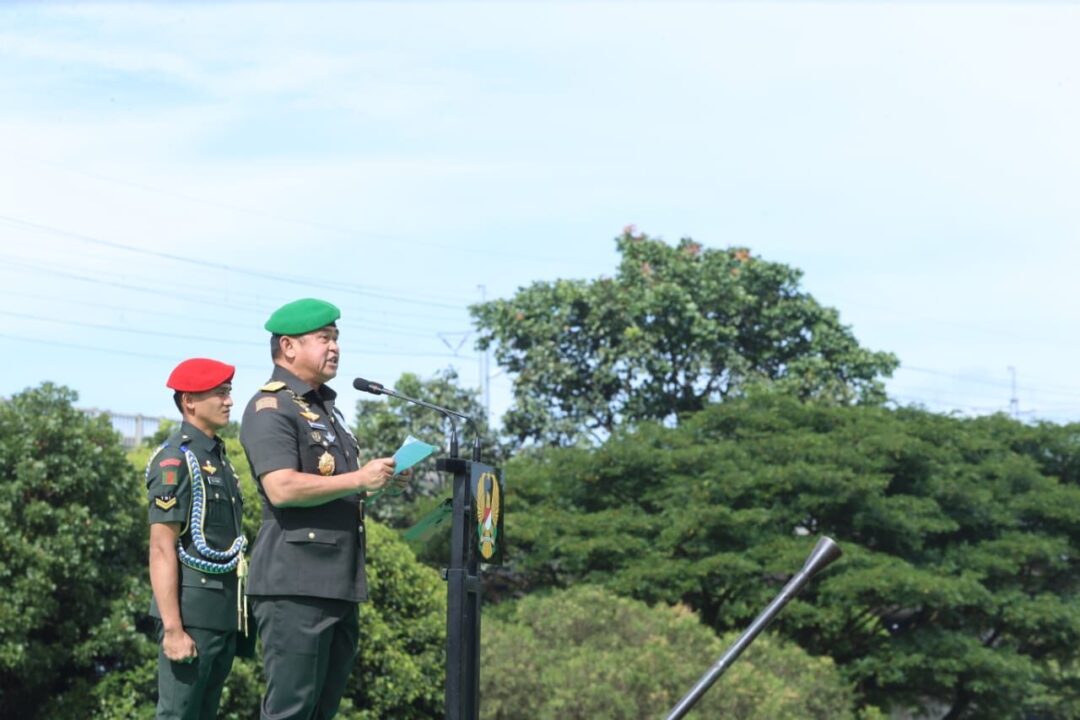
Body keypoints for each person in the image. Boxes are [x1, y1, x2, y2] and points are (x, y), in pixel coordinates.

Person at [239, 298, 402, 720]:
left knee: (321, 711)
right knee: (291, 711)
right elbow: (281, 487)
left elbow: (335, 491)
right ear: (288, 347)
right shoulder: (270, 407)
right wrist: (358, 479)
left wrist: (376, 484)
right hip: (295, 585)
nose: (335, 347)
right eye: (324, 338)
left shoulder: (326, 409)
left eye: (336, 339)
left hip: (337, 581)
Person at [147, 357, 249, 720]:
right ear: (189, 401)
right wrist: (173, 628)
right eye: (219, 393)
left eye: (229, 393)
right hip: (190, 613)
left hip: (221, 613)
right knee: (178, 713)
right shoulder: (175, 460)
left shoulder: (219, 458)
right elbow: (161, 548)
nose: (229, 401)